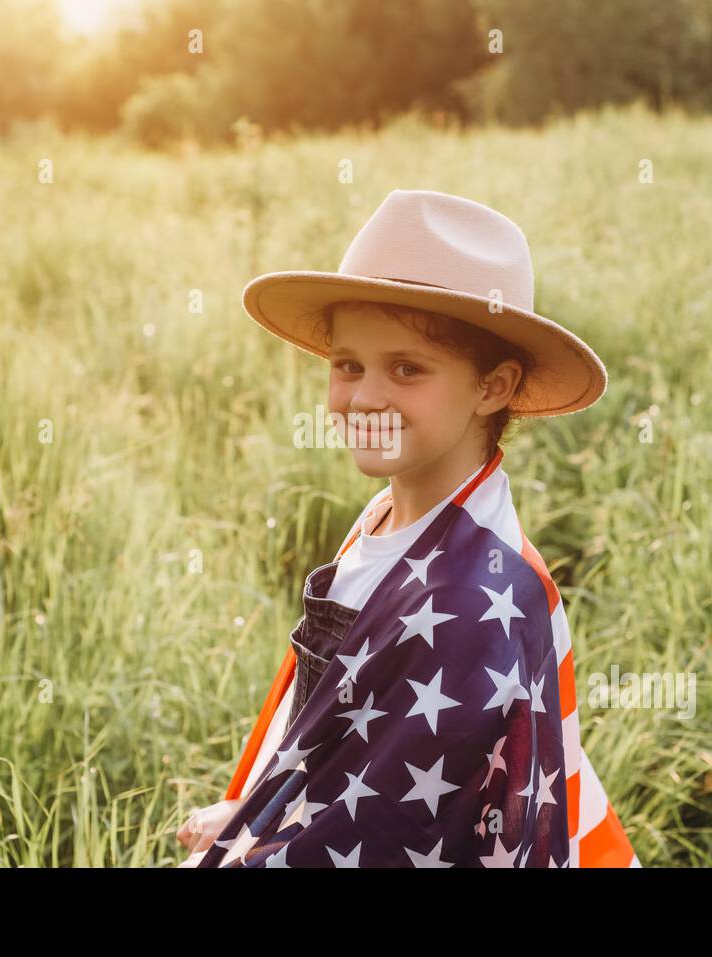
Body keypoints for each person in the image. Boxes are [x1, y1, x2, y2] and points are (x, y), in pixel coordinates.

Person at [179, 189, 638, 867]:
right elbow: (350, 744)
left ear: (493, 386)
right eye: (348, 365)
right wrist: (256, 813)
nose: (364, 396)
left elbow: (393, 832)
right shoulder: (396, 520)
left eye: (406, 368)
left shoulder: (477, 603)